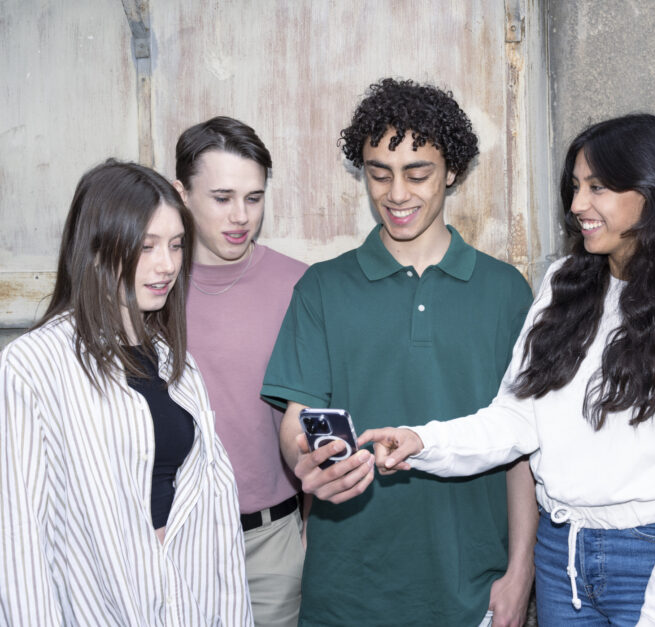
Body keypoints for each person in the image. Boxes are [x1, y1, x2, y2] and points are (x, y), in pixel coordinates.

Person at [362, 113, 655, 626]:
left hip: (649, 557)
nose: (576, 206)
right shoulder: (565, 282)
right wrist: (423, 441)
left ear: (652, 191)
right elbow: (517, 420)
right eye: (574, 187)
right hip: (558, 556)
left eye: (597, 188)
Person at [261, 78, 537, 627]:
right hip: (347, 591)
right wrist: (305, 461)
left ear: (452, 171)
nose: (396, 194)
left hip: (473, 590)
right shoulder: (322, 288)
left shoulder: (507, 290)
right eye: (378, 173)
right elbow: (296, 419)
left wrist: (520, 573)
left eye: (418, 173)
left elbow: (523, 442)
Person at [0, 160, 251, 625]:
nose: (168, 265)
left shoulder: (177, 361)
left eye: (176, 246)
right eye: (146, 246)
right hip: (100, 606)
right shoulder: (34, 365)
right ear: (96, 248)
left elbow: (215, 517)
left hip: (187, 600)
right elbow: (19, 540)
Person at [173, 116, 307, 627]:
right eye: (223, 197)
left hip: (272, 543)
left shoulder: (301, 285)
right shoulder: (150, 288)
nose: (241, 216)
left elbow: (318, 419)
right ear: (181, 193)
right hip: (173, 539)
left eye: (254, 198)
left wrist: (308, 536)